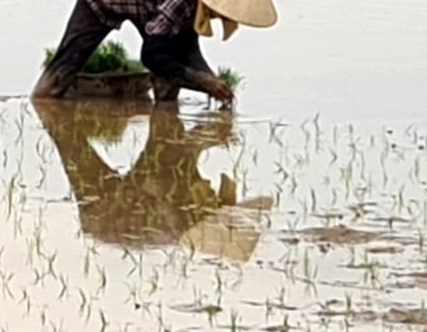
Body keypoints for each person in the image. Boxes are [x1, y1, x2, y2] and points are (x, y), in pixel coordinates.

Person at [33, 0, 276, 105]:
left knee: (170, 69)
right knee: (71, 57)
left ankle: (164, 124)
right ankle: (43, 103)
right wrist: (202, 82)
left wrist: (211, 80)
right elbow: (151, 56)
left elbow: (187, 48)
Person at [34, 99, 270, 259]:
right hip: (109, 215)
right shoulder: (176, 201)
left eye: (211, 193)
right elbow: (169, 153)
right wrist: (210, 132)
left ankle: (52, 111)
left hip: (108, 216)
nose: (209, 185)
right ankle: (51, 108)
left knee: (73, 149)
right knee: (72, 146)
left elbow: (175, 154)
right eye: (212, 191)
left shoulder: (177, 204)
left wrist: (209, 133)